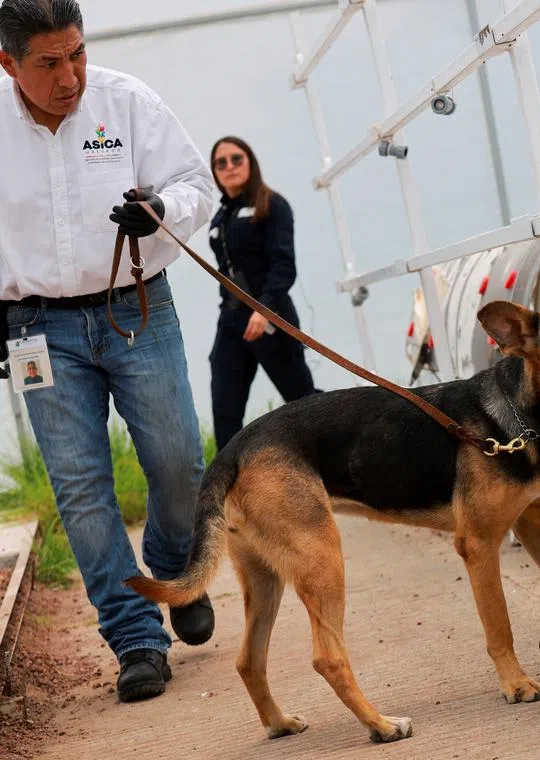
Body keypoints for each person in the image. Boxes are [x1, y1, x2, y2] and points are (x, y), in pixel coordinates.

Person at [0, 0, 216, 703]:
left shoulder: (127, 103)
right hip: (37, 329)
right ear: (9, 63)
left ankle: (174, 566)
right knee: (81, 487)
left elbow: (196, 187)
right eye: (49, 62)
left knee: (180, 459)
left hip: (137, 308)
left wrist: (160, 208)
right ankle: (134, 637)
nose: (71, 76)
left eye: (78, 53)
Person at [206, 136, 318, 452]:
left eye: (236, 159)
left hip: (271, 317)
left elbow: (283, 266)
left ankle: (337, 472)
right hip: (231, 322)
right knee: (225, 408)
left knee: (303, 402)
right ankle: (230, 490)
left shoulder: (272, 205)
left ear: (251, 162)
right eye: (220, 163)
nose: (229, 167)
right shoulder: (221, 216)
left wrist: (265, 309)